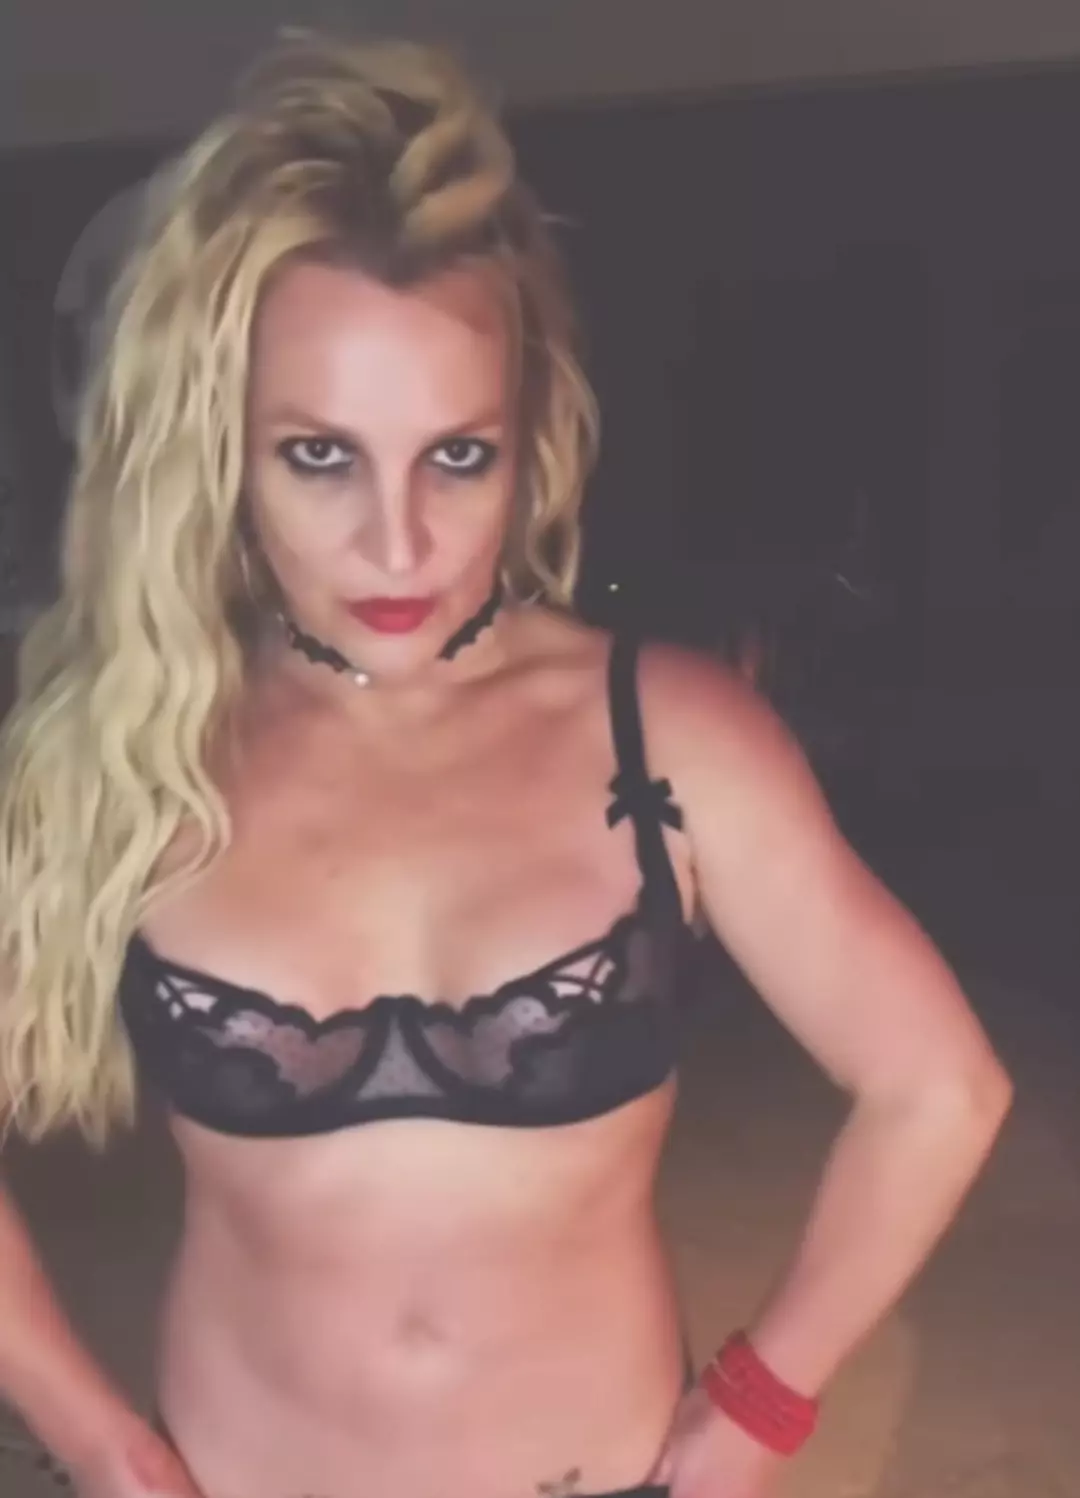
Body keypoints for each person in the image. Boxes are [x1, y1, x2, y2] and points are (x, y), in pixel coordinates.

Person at [0, 31, 1012, 1498]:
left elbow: (940, 1088)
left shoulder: (667, 735)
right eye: (321, 456)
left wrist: (761, 1405)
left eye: (454, 456)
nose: (398, 542)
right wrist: (92, 1434)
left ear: (527, 438)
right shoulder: (137, 745)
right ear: (220, 447)